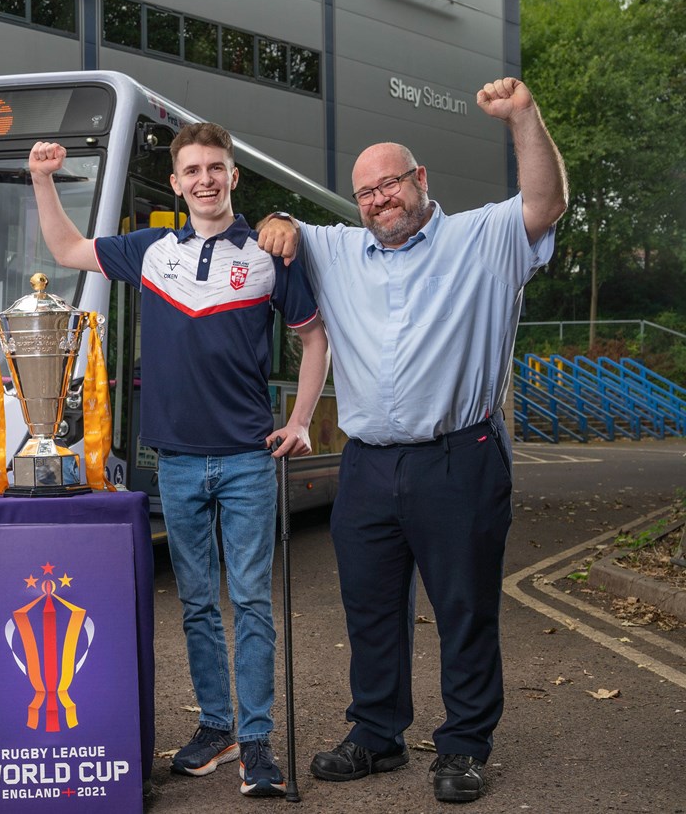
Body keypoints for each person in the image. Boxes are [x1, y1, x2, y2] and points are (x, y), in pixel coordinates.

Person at [256, 77, 567, 803]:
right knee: (368, 606)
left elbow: (546, 202)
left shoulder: (482, 238)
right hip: (367, 466)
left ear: (418, 179)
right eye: (365, 193)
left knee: (463, 607)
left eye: (388, 185)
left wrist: (523, 115)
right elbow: (287, 231)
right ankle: (376, 732)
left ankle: (463, 747)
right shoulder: (339, 249)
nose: (377, 201)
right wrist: (275, 218)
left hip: (460, 458)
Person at [28, 123, 330, 798]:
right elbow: (67, 247)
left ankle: (256, 743)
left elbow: (314, 339)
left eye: (216, 167)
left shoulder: (268, 253)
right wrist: (43, 179)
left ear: (232, 175)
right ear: (175, 182)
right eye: (192, 169)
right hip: (178, 463)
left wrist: (302, 420)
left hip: (250, 459)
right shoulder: (150, 250)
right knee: (196, 604)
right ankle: (218, 728)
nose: (205, 179)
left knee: (250, 602)